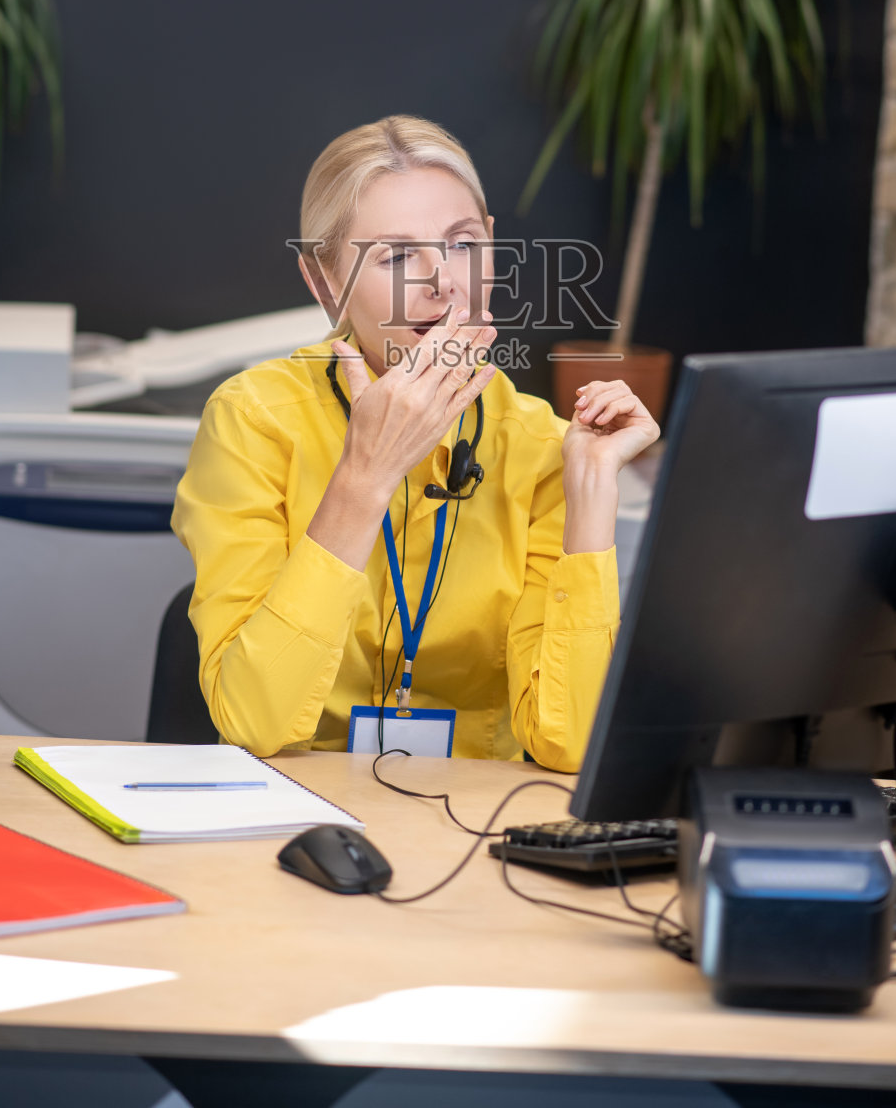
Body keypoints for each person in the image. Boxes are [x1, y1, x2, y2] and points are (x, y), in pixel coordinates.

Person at [172, 115, 659, 770]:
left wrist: (592, 490)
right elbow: (252, 724)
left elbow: (571, 744)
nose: (442, 281)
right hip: (300, 802)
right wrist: (364, 477)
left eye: (462, 244)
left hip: (470, 813)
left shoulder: (542, 445)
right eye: (396, 257)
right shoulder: (253, 420)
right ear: (323, 283)